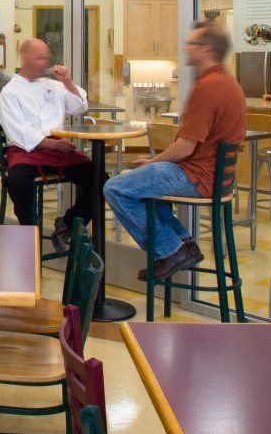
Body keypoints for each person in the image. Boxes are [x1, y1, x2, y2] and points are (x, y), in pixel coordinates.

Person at [104, 21, 249, 282]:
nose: (185, 49)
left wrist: (152, 162)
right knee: (142, 191)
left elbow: (185, 146)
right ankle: (184, 244)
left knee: (115, 189)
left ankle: (170, 250)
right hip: (214, 177)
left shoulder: (208, 87)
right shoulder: (228, 82)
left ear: (205, 49)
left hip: (195, 175)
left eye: (190, 44)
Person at [0, 38, 96, 252]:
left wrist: (68, 81)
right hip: (27, 150)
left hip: (59, 150)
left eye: (46, 58)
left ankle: (68, 224)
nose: (45, 62)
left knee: (98, 179)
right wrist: (52, 145)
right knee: (17, 181)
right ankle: (30, 231)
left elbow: (79, 107)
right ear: (25, 58)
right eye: (39, 57)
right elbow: (17, 131)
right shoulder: (10, 92)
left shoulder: (54, 86)